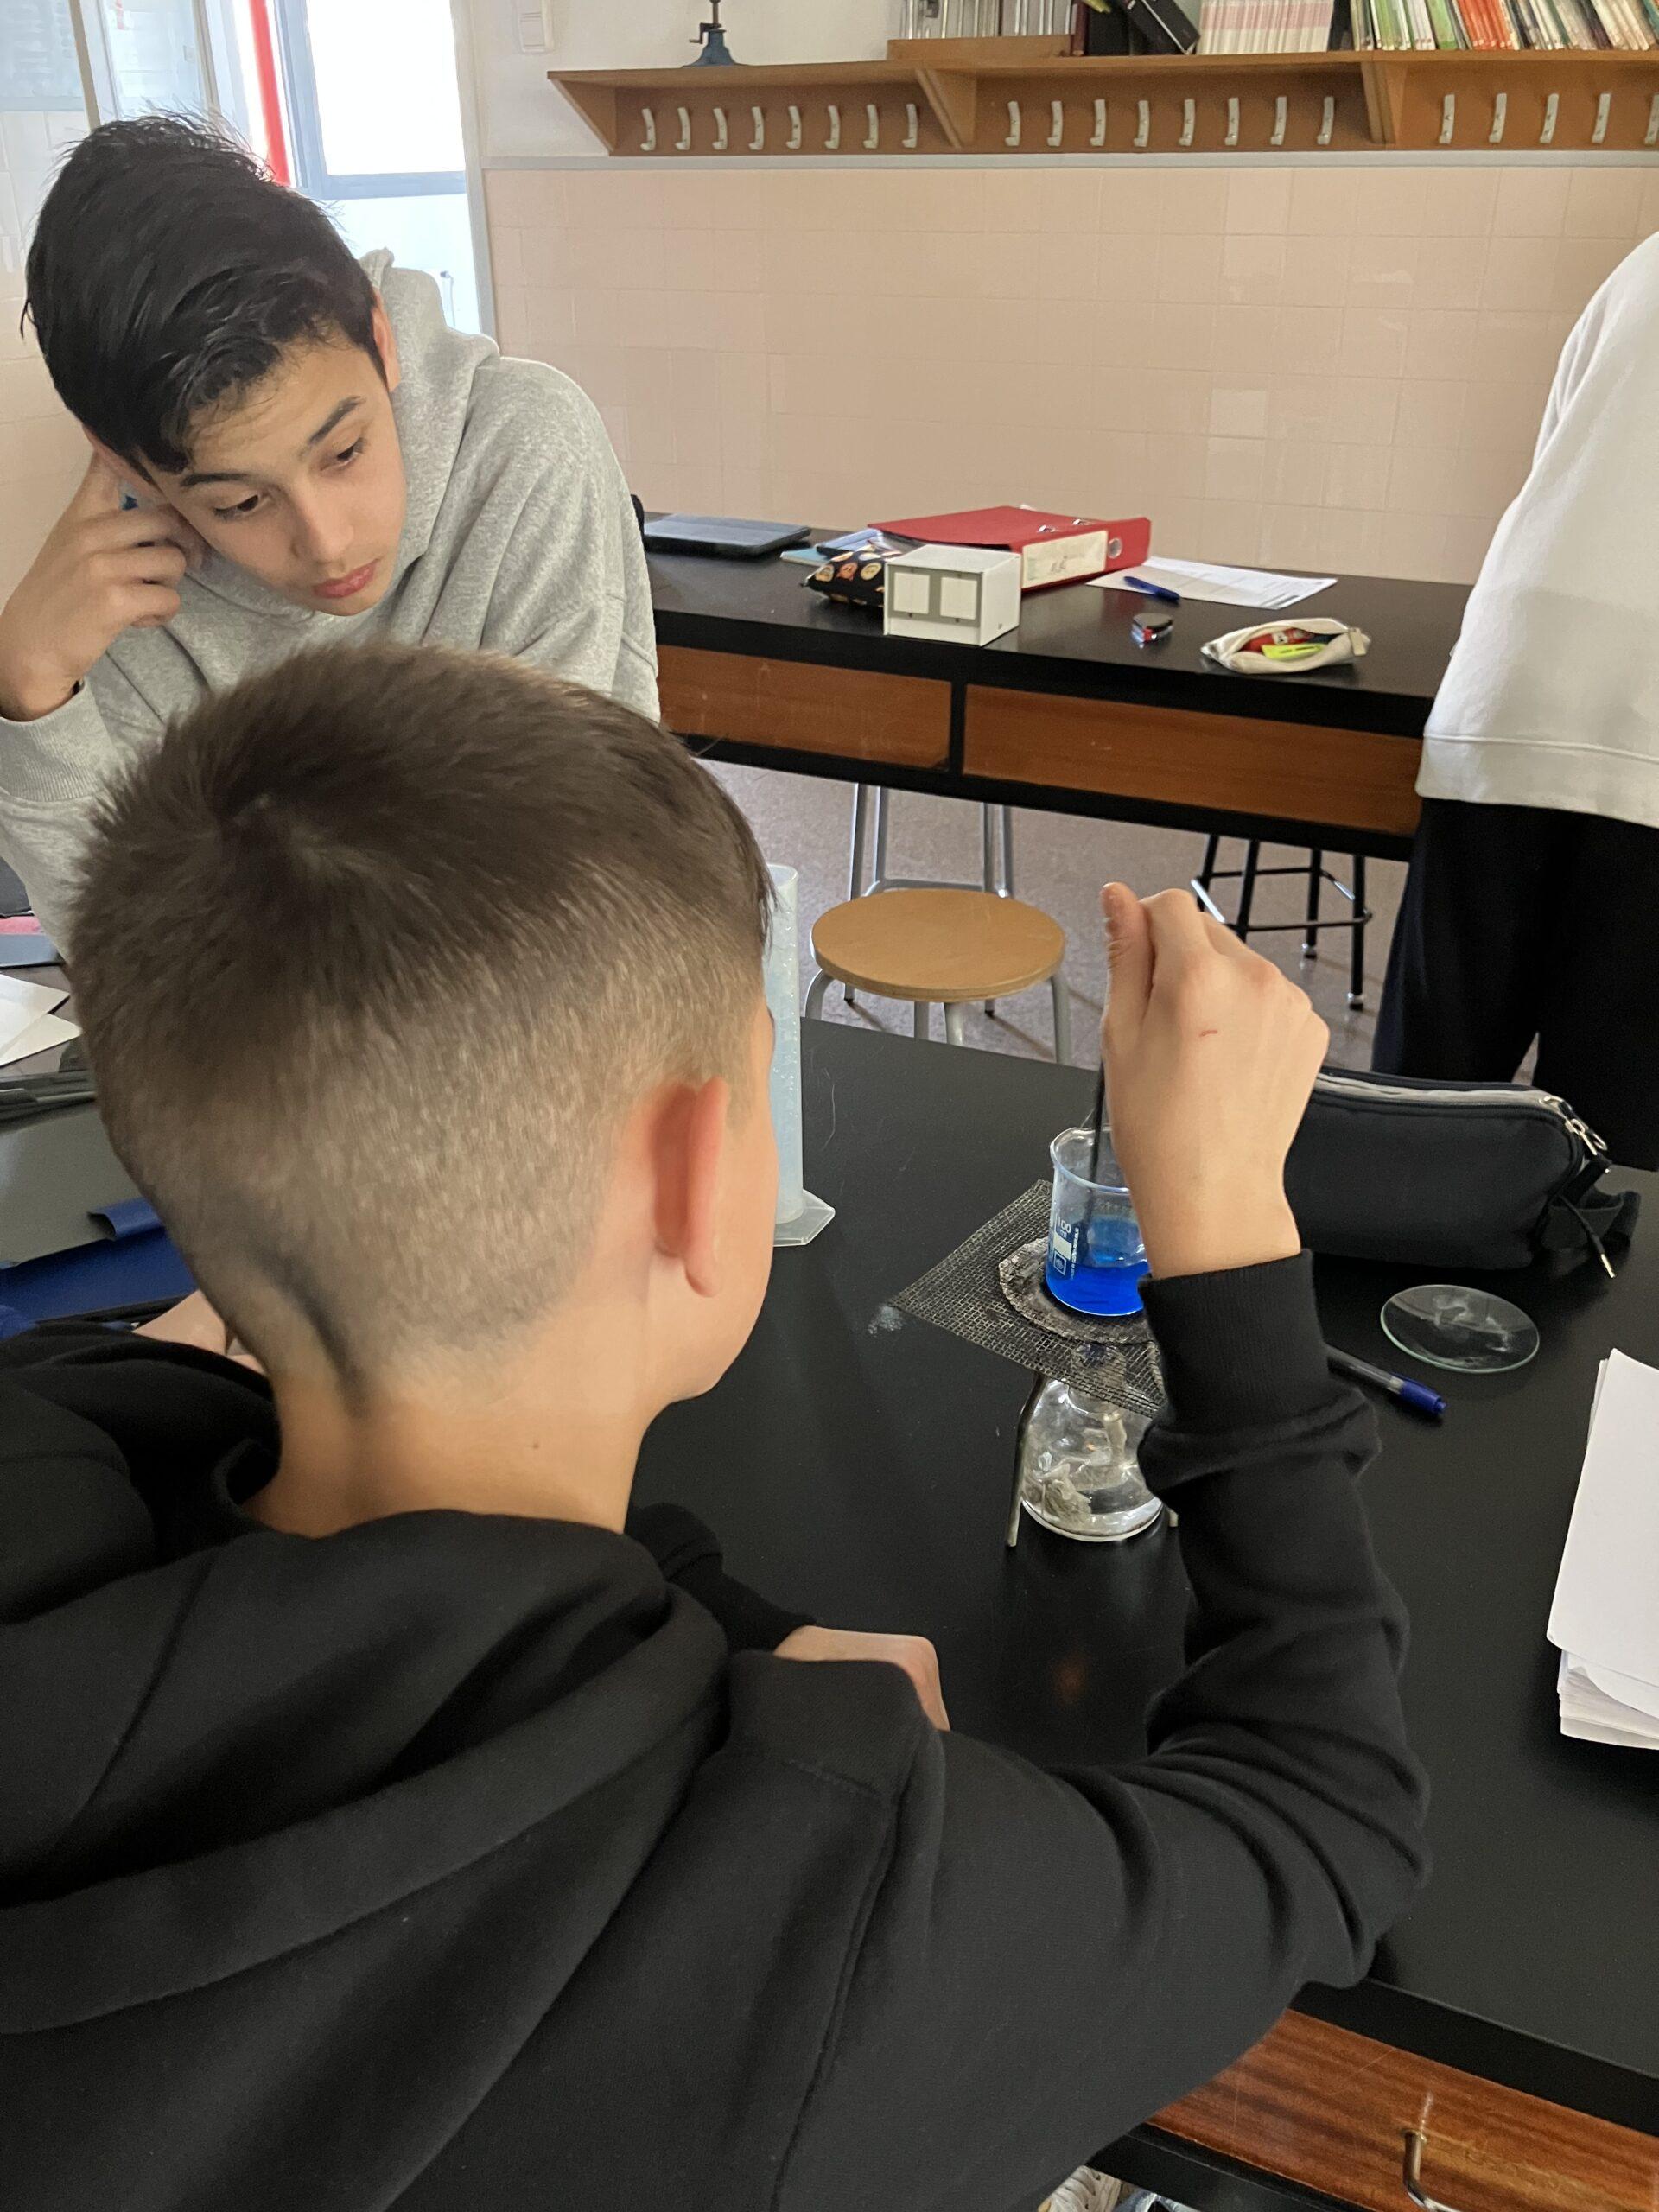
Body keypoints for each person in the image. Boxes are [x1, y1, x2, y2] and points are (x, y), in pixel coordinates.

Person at [0, 644, 1427, 2211]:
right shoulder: (830, 1932)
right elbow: (1326, 1821)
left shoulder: (62, 1441)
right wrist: (1226, 1227)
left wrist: (740, 1640)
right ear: (694, 1177)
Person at [0, 115, 654, 947]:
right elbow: (138, 967)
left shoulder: (524, 445)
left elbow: (572, 875)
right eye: (242, 504)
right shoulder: (123, 590)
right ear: (127, 466)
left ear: (380, 338)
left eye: (344, 451)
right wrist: (30, 696)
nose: (328, 542)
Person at [1375, 229, 1659, 1169]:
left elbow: (1559, 463)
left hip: (1511, 684)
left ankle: (1380, 1254)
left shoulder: (1645, 262)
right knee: (1615, 1149)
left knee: (1425, 1096)